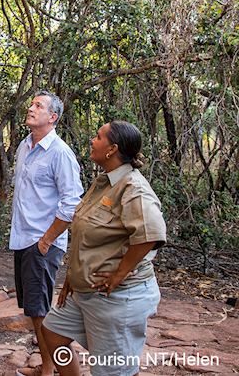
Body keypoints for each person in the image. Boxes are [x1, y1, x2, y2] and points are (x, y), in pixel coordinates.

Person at [42, 120, 167, 376]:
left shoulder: (134, 188)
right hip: (83, 291)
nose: (92, 140)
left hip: (117, 297)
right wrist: (74, 278)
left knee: (112, 371)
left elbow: (149, 235)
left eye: (98, 137)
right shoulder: (103, 183)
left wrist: (119, 274)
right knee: (53, 333)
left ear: (112, 149)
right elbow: (87, 233)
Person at [11, 91, 84, 376]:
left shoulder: (60, 153)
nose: (31, 108)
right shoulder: (24, 146)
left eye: (38, 106)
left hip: (42, 242)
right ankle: (47, 365)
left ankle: (51, 371)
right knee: (35, 310)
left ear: (52, 117)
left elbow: (71, 202)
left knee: (44, 314)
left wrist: (46, 240)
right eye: (31, 104)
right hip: (23, 238)